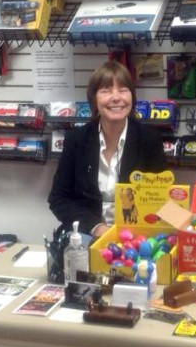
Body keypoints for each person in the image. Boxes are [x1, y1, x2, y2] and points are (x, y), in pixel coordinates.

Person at [48, 61, 167, 237]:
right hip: (87, 233)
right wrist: (97, 228)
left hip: (135, 237)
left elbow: (162, 199)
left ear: (132, 97)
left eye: (123, 89)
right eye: (106, 90)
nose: (116, 97)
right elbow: (58, 199)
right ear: (94, 99)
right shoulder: (77, 140)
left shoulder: (150, 140)